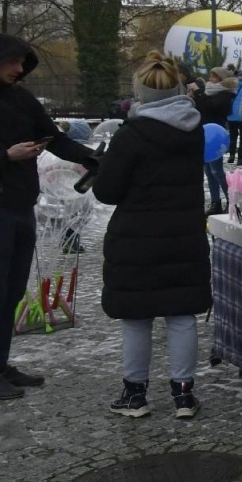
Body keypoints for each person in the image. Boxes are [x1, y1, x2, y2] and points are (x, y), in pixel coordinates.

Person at [94, 52, 211, 418]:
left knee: (137, 317)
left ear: (140, 94)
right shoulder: (194, 131)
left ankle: (135, 394)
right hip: (184, 235)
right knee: (182, 316)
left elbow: (107, 192)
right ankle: (184, 395)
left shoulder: (131, 135)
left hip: (137, 237)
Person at [0, 34, 100, 399]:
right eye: (12, 61)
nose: (19, 68)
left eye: (23, 62)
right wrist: (7, 156)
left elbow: (53, 138)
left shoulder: (22, 99)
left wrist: (90, 158)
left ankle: (1, 363)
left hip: (21, 205)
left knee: (10, 291)